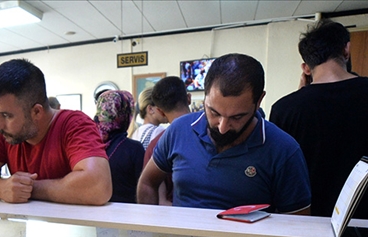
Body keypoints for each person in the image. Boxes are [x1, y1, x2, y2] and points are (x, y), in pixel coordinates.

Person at [137, 54, 311, 214]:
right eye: (214, 112)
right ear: (204, 97)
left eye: (237, 117)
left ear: (259, 101)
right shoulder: (179, 130)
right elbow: (147, 183)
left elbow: (298, 224)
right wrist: (151, 234)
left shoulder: (284, 150)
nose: (222, 127)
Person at [270, 20, 368, 217]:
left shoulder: (284, 109)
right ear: (346, 50)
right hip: (365, 221)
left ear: (306, 68)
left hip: (306, 221)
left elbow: (284, 175)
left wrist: (301, 96)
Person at [0, 59, 112, 205]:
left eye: (7, 115)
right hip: (26, 228)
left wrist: (27, 188)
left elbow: (98, 187)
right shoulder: (5, 132)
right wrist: (0, 189)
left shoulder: (75, 125)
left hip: (76, 230)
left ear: (37, 112)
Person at [142, 76, 192, 205]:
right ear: (189, 98)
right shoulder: (215, 134)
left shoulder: (157, 144)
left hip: (176, 217)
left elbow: (158, 199)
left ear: (160, 111)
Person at [95, 90, 144, 203]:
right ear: (126, 114)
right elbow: (143, 190)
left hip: (92, 214)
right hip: (126, 216)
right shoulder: (134, 149)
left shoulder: (87, 144)